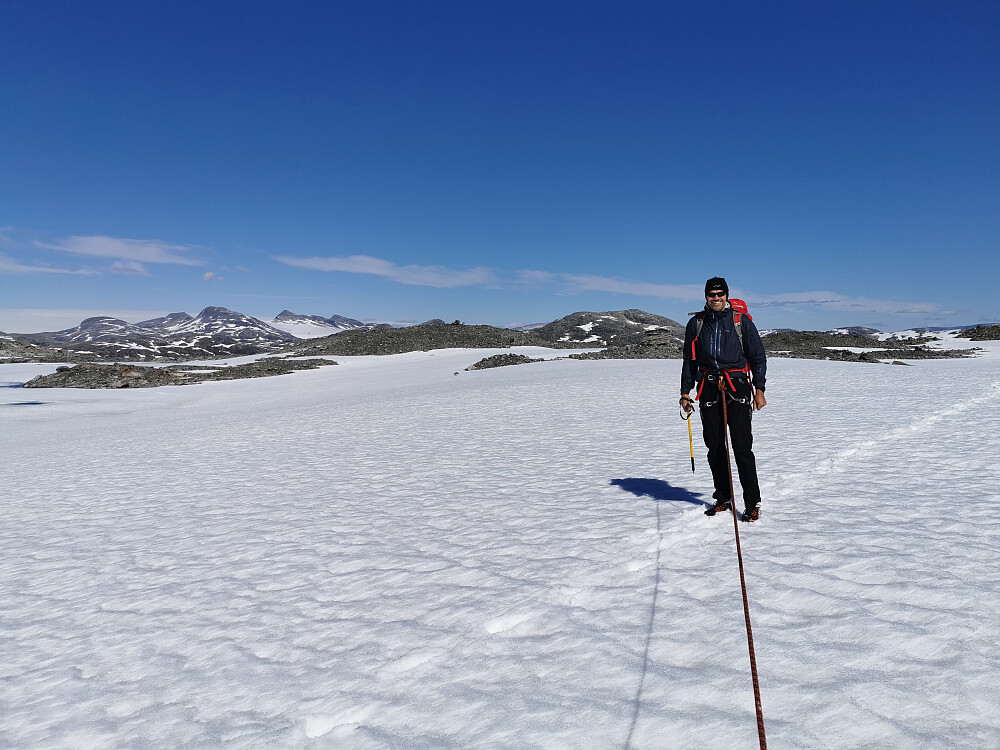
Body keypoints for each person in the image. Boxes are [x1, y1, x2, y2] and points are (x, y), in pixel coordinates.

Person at [680, 277, 767, 522]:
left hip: (736, 386)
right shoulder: (696, 323)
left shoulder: (741, 322)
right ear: (705, 296)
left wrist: (759, 389)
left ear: (726, 295)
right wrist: (685, 392)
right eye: (711, 294)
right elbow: (689, 360)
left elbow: (758, 356)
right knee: (715, 447)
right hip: (707, 387)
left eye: (720, 293)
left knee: (742, 447)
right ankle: (723, 497)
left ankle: (752, 503)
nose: (715, 298)